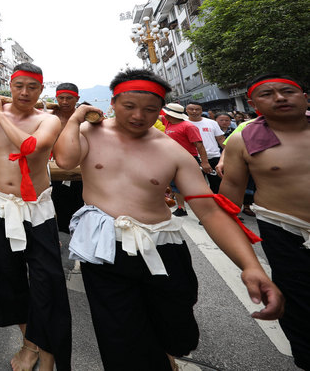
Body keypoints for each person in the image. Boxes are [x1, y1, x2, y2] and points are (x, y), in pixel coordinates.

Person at [54, 69, 283, 371]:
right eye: (129, 107)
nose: (139, 116)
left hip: (162, 247)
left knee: (178, 332)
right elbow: (66, 160)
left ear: (160, 109)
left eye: (150, 109)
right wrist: (76, 117)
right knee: (120, 340)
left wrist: (251, 266)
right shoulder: (89, 134)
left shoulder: (171, 151)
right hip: (106, 250)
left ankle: (166, 353)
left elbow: (211, 211)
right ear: (113, 102)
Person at [0, 63, 71, 371]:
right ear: (10, 86)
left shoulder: (46, 119)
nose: (24, 93)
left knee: (47, 283)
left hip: (36, 211)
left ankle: (49, 355)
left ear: (41, 90)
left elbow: (30, 146)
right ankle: (29, 343)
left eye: (31, 87)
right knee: (7, 280)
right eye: (18, 86)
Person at [219, 73, 310, 370]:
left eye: (288, 91)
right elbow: (228, 205)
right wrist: (249, 264)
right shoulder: (244, 139)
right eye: (268, 94)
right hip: (286, 232)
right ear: (253, 103)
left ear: (304, 96)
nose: (280, 98)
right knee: (300, 304)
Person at [49, 83, 85, 234]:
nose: (64, 101)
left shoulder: (85, 118)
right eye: (61, 98)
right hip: (53, 169)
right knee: (56, 206)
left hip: (79, 169)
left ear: (77, 98)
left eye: (69, 98)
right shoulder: (48, 117)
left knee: (80, 208)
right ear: (56, 98)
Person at [162, 103, 209, 217]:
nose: (164, 115)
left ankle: (205, 213)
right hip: (172, 160)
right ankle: (181, 208)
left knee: (196, 186)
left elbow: (199, 145)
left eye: (167, 113)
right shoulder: (168, 122)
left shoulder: (188, 126)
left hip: (189, 160)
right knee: (175, 186)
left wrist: (205, 162)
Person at [186, 102, 225, 193]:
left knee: (217, 185)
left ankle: (217, 204)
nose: (194, 111)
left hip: (214, 157)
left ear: (202, 110)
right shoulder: (183, 123)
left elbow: (221, 139)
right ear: (186, 110)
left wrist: (228, 154)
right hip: (193, 159)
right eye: (191, 109)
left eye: (197, 109)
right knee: (197, 187)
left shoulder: (212, 123)